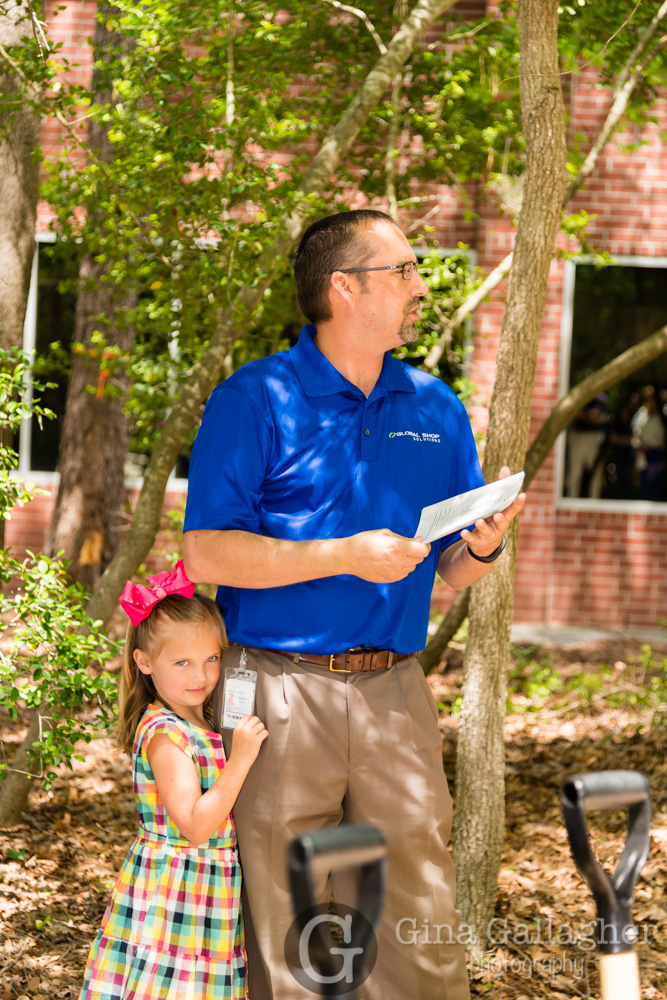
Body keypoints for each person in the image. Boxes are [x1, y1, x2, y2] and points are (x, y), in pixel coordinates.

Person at [183, 209, 526, 1000]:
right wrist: (344, 554)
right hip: (275, 688)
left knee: (415, 898)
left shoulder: (435, 407)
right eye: (401, 270)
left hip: (394, 692)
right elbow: (204, 552)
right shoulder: (256, 397)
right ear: (343, 288)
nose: (418, 285)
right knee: (286, 904)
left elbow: (451, 570)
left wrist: (479, 546)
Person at [80, 560, 268, 1000]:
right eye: (182, 662)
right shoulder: (166, 732)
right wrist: (240, 760)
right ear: (144, 662)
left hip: (208, 890)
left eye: (211, 659)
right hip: (175, 892)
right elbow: (196, 825)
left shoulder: (199, 721)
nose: (200, 676)